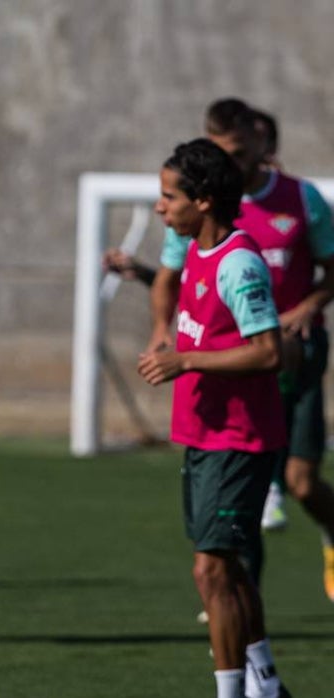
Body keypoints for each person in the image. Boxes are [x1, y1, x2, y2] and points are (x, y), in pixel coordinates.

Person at [150, 99, 334, 596]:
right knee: (234, 538)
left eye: (238, 149)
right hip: (228, 378)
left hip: (294, 354)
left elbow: (329, 271)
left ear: (260, 141)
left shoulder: (300, 200)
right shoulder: (196, 217)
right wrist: (163, 331)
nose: (233, 160)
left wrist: (303, 309)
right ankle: (246, 635)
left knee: (300, 482)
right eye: (222, 150)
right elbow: (171, 278)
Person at [138, 138, 288, 698]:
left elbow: (269, 350)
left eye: (168, 196)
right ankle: (267, 685)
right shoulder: (196, 252)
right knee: (227, 569)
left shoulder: (239, 261)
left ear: (201, 201)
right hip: (206, 437)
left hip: (239, 440)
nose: (160, 207)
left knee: (211, 571)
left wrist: (185, 359)